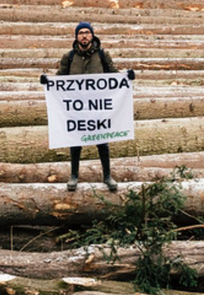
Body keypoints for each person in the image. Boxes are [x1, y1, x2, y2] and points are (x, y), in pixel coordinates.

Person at [40, 22, 135, 192]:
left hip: (98, 107)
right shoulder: (68, 57)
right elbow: (60, 78)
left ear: (92, 35)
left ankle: (107, 175)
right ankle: (74, 175)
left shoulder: (102, 55)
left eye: (87, 33)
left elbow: (113, 74)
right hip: (77, 108)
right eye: (81, 33)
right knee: (75, 141)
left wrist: (126, 77)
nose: (84, 36)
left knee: (102, 142)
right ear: (76, 37)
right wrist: (48, 81)